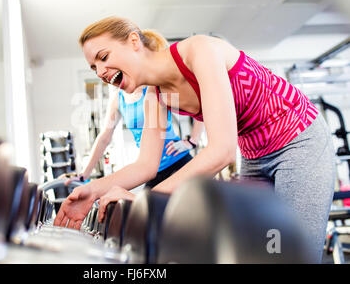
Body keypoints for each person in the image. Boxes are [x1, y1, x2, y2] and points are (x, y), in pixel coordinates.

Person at [54, 16, 335, 263]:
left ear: (133, 41)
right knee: (256, 253)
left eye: (103, 57)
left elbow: (222, 152)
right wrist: (94, 190)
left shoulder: (198, 51)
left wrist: (144, 200)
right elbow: (146, 166)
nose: (100, 72)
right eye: (93, 68)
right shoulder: (156, 96)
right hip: (254, 153)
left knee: (295, 257)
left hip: (299, 139)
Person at [73, 83, 204, 188]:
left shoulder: (154, 88)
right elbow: (104, 137)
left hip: (178, 161)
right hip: (151, 170)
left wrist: (192, 141)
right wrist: (84, 174)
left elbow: (199, 105)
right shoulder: (118, 99)